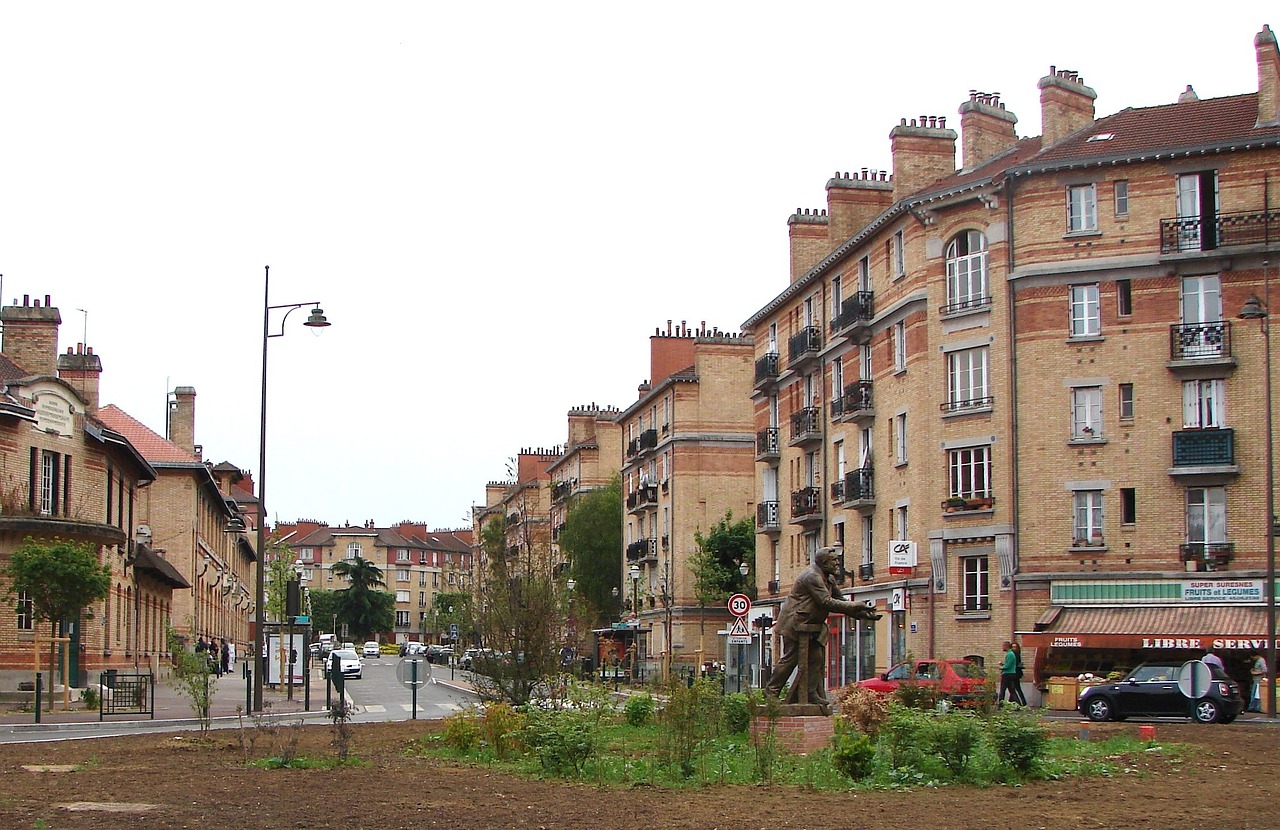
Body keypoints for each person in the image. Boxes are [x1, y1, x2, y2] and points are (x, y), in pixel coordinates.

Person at [763, 546, 881, 712]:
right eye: (834, 561)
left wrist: (863, 614)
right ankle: (771, 693)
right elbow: (825, 602)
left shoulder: (829, 578)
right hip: (794, 623)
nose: (837, 564)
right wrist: (855, 604)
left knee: (816, 658)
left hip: (812, 625)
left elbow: (840, 600)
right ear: (824, 563)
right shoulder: (812, 576)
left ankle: (810, 692)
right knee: (791, 659)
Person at [1010, 641, 1028, 705]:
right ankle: (1013, 702)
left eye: (1015, 647)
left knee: (1014, 689)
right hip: (1016, 673)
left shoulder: (1014, 655)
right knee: (1014, 689)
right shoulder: (1016, 654)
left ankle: (1021, 703)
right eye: (1012, 647)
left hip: (1015, 674)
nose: (1013, 648)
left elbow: (1013, 664)